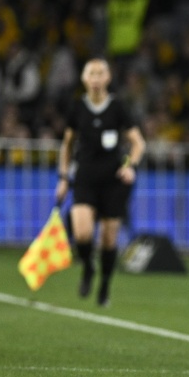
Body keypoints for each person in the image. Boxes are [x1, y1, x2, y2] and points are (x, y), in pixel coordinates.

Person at [55, 58, 145, 307]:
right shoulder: (77, 108)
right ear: (84, 78)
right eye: (91, 73)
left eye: (100, 73)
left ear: (108, 78)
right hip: (85, 178)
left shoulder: (118, 107)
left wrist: (130, 166)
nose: (95, 78)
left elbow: (138, 143)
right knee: (82, 233)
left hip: (113, 182)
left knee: (108, 239)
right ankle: (88, 267)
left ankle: (104, 285)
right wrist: (63, 177)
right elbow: (67, 145)